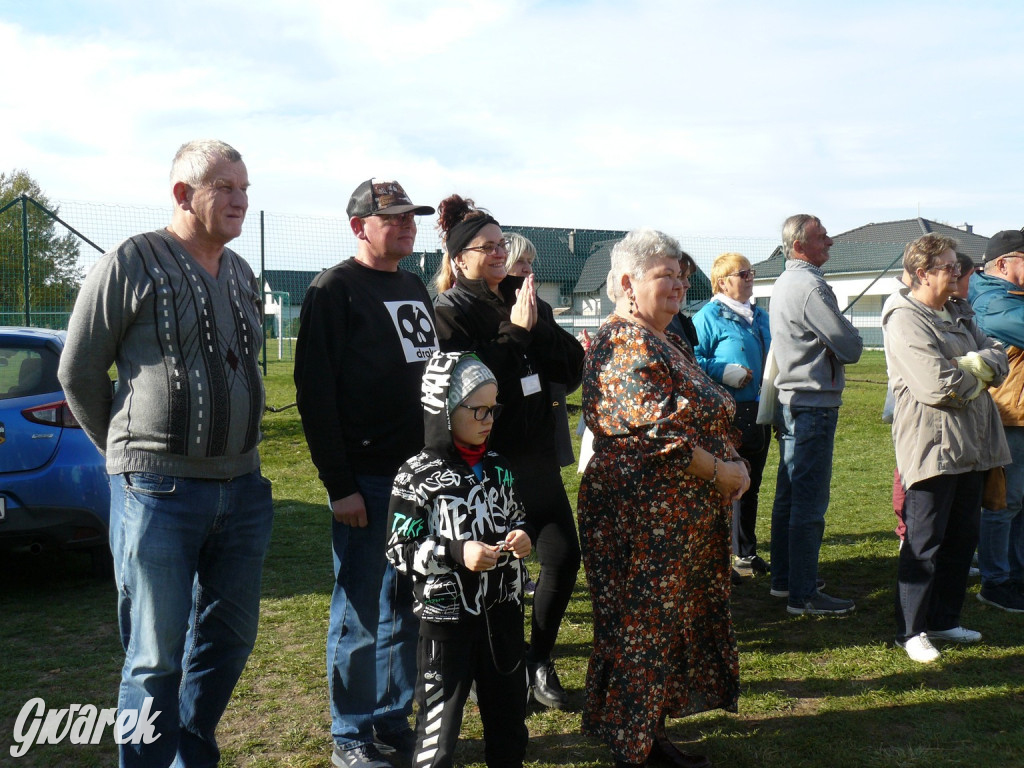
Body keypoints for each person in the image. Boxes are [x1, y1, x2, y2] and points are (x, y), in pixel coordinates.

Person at [57, 139, 274, 768]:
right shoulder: (132, 261)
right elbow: (78, 370)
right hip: (156, 492)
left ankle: (192, 750)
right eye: (226, 188)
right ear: (183, 194)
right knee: (153, 656)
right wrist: (127, 456)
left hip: (243, 486)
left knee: (230, 637)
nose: (240, 200)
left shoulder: (239, 271)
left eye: (245, 188)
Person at [578, 228, 748, 768]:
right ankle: (636, 745)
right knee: (642, 626)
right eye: (663, 276)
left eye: (680, 275)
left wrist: (731, 462)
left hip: (676, 515)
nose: (677, 285)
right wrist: (721, 468)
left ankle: (648, 734)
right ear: (628, 282)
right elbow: (655, 434)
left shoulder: (666, 337)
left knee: (663, 626)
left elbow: (702, 412)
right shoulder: (623, 342)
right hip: (641, 516)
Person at [294, 179, 439, 768]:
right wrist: (340, 485)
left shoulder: (413, 285)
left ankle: (391, 717)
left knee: (405, 600)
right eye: (394, 217)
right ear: (359, 226)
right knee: (358, 610)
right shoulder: (334, 289)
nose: (407, 225)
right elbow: (314, 394)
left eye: (412, 217)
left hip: (417, 479)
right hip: (368, 479)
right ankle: (350, 733)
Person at [432, 196, 585, 710]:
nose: (499, 253)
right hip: (488, 469)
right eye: (488, 247)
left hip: (537, 459)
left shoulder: (522, 297)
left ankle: (538, 660)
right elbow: (470, 385)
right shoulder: (451, 312)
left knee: (563, 557)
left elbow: (572, 365)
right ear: (460, 259)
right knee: (498, 576)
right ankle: (504, 675)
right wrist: (516, 332)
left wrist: (535, 325)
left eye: (502, 244)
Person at [386, 352, 534, 768]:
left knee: (508, 721)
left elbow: (518, 516)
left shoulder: (500, 467)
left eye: (494, 408)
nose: (489, 418)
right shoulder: (415, 475)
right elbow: (399, 548)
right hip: (446, 623)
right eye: (478, 409)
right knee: (439, 725)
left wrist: (524, 536)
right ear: (445, 410)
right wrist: (457, 551)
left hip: (503, 615)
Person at [883, 233, 1009, 662]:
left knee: (962, 535)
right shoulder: (904, 317)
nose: (959, 273)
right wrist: (977, 371)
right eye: (951, 266)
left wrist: (974, 364)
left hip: (972, 442)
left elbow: (998, 355)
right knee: (925, 539)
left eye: (957, 266)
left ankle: (943, 619)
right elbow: (937, 386)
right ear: (923, 272)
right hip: (933, 444)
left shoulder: (958, 309)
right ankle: (911, 630)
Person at [769, 214, 863, 615]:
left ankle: (786, 580)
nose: (830, 241)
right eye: (822, 236)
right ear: (799, 246)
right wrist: (846, 331)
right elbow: (852, 348)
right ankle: (803, 595)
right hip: (812, 406)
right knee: (808, 503)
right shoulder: (810, 287)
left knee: (790, 496)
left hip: (793, 403)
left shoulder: (786, 282)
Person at [694, 252, 772, 576]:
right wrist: (723, 370)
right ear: (722, 281)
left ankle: (745, 553)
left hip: (761, 408)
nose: (750, 277)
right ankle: (718, 558)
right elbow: (691, 359)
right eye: (742, 273)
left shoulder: (761, 315)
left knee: (751, 484)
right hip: (727, 412)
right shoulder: (708, 317)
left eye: (750, 272)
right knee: (726, 484)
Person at [969, 230, 1024, 612]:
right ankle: (996, 581)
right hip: (1007, 418)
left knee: (1019, 503)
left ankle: (1014, 574)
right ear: (1003, 264)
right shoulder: (992, 301)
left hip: (1018, 415)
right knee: (1004, 504)